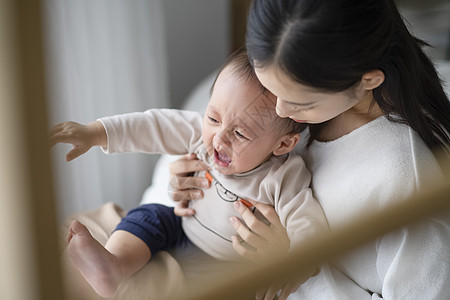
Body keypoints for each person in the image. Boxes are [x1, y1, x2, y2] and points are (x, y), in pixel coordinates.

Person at [168, 0, 450, 299]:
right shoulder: (307, 106)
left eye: (301, 103)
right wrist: (198, 177)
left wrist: (297, 264)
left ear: (368, 80)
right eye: (271, 89)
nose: (279, 110)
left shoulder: (407, 179)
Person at [50, 48, 328, 298]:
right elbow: (153, 126)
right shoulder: (200, 134)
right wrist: (95, 133)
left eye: (241, 133)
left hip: (227, 262)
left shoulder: (283, 176)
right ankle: (115, 264)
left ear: (282, 144)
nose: (219, 139)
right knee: (149, 216)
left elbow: (306, 222)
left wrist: (294, 262)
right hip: (179, 228)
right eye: (213, 118)